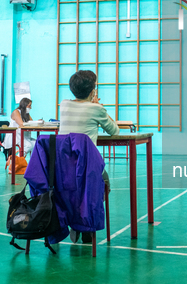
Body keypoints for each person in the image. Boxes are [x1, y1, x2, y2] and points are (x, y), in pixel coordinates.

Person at [59, 70, 119, 243]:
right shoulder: (97, 109)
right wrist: (99, 107)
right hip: (88, 167)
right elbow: (114, 131)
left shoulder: (63, 105)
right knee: (103, 181)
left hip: (64, 168)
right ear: (93, 90)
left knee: (76, 186)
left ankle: (75, 222)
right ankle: (85, 222)